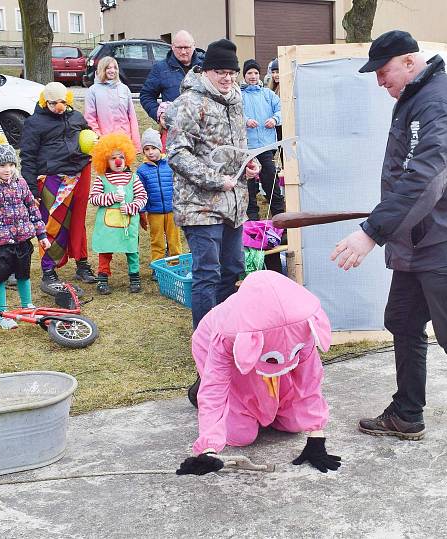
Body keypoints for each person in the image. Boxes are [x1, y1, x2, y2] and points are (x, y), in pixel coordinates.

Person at [330, 30, 447, 451]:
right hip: (421, 238)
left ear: (409, 62)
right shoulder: (417, 97)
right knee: (403, 320)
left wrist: (372, 231)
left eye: (383, 71)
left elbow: (425, 177)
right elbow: (411, 175)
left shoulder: (438, 102)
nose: (379, 81)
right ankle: (407, 413)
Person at [176, 271, 341, 476]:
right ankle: (202, 390)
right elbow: (215, 386)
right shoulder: (224, 334)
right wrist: (208, 450)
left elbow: (309, 379)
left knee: (294, 423)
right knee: (242, 434)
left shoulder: (301, 324)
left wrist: (316, 436)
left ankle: (261, 400)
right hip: (231, 349)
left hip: (267, 349)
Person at [166, 38, 261, 330]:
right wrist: (216, 181)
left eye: (231, 73)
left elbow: (235, 149)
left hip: (234, 203)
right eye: (220, 71)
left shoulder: (236, 99)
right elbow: (177, 153)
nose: (227, 77)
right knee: (207, 273)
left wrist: (248, 165)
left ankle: (226, 331)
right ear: (206, 71)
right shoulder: (190, 103)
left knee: (233, 269)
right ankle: (206, 341)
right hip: (199, 205)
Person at [19, 82, 97, 295]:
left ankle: (82, 264)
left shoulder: (76, 116)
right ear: (45, 101)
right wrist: (32, 191)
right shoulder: (34, 123)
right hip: (52, 177)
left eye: (62, 102)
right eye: (53, 103)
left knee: (78, 222)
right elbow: (27, 158)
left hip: (80, 172)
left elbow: (87, 136)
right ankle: (49, 270)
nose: (58, 107)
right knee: (51, 225)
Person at [0, 134, 50, 329]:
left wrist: (41, 235)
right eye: (2, 166)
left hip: (22, 238)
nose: (8, 170)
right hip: (0, 243)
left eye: (11, 165)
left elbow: (32, 208)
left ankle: (27, 304)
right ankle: (3, 313)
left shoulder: (21, 183)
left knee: (24, 273)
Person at [89, 133, 147, 295]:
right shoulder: (101, 179)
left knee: (132, 250)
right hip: (107, 224)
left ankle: (134, 278)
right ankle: (102, 279)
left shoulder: (133, 178)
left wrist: (131, 207)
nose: (118, 161)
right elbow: (93, 199)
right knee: (105, 250)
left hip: (128, 222)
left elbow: (142, 197)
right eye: (113, 158)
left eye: (121, 157)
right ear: (105, 160)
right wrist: (111, 197)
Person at [140, 30, 205, 149]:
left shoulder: (206, 67)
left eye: (187, 47)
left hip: (204, 132)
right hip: (176, 132)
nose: (183, 51)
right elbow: (146, 95)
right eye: (179, 47)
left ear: (194, 46)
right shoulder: (160, 68)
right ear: (172, 47)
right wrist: (159, 115)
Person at [241, 59, 285, 220]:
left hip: (266, 146)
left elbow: (282, 110)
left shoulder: (268, 94)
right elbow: (235, 114)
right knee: (249, 184)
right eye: (249, 73)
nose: (253, 76)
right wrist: (245, 120)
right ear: (244, 75)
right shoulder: (239, 95)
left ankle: (280, 218)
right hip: (247, 146)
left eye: (255, 73)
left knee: (271, 181)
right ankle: (252, 218)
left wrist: (274, 119)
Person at [137, 128, 182, 271]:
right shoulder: (142, 171)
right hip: (154, 212)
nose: (150, 152)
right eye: (147, 149)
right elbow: (140, 192)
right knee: (157, 241)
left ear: (160, 148)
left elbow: (178, 185)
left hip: (171, 210)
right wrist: (142, 211)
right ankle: (158, 268)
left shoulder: (170, 164)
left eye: (154, 148)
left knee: (174, 240)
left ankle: (176, 265)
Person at [84, 57, 142, 151]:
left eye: (115, 67)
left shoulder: (124, 89)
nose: (112, 70)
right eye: (108, 68)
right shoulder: (93, 91)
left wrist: (136, 143)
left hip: (124, 141)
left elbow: (132, 117)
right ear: (102, 69)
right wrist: (99, 137)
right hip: (105, 142)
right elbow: (90, 119)